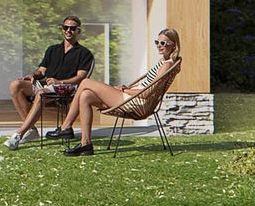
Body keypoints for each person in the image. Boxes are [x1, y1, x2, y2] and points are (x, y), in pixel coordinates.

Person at [62, 28, 182, 156]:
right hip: (134, 98)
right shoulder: (163, 61)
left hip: (137, 102)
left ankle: (65, 127)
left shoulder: (167, 65)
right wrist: (127, 88)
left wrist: (125, 90)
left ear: (173, 45)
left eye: (163, 43)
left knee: (86, 82)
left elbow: (146, 93)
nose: (159, 46)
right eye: (157, 42)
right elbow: (145, 86)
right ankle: (86, 144)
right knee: (86, 95)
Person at [3, 18, 94, 149]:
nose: (68, 30)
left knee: (41, 93)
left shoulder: (84, 53)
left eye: (72, 28)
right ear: (62, 29)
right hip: (47, 84)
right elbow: (42, 70)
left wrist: (60, 81)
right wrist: (33, 75)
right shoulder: (52, 49)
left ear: (78, 31)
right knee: (15, 85)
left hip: (66, 88)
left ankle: (19, 134)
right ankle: (32, 130)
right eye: (65, 27)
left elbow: (81, 77)